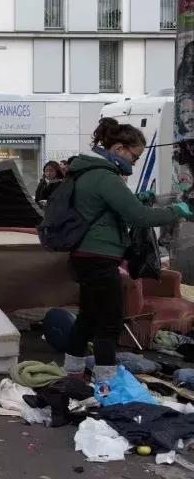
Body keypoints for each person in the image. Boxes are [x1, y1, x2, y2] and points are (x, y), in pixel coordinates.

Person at [62, 117, 193, 387]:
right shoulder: (103, 175)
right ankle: (106, 385)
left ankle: (73, 373)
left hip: (86, 255)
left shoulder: (90, 172)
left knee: (88, 316)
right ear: (119, 148)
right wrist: (174, 212)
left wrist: (136, 200)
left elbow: (111, 210)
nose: (134, 164)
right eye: (134, 157)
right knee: (109, 320)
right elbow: (138, 217)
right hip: (99, 256)